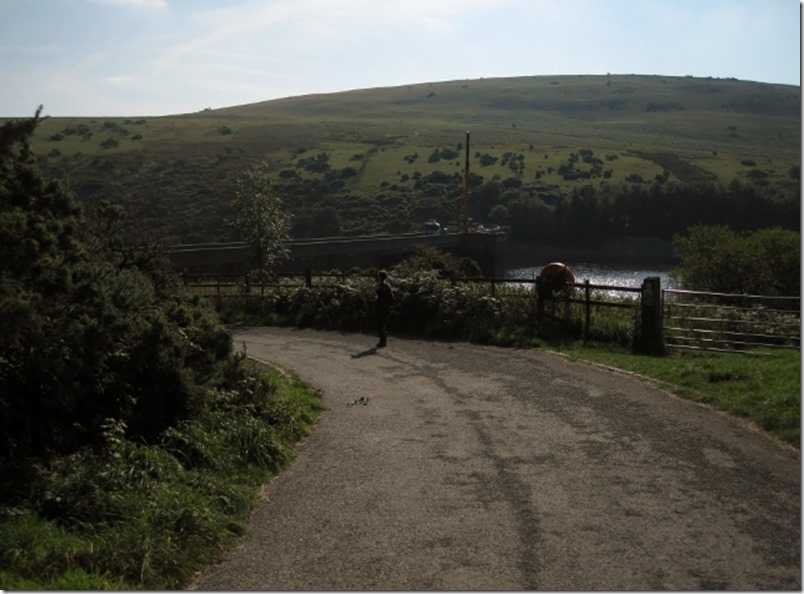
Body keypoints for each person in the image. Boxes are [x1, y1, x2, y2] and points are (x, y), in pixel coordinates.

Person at [375, 270, 394, 347]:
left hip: (379, 305)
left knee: (380, 323)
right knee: (384, 322)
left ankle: (382, 340)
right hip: (387, 306)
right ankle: (384, 339)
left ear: (379, 277)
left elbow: (372, 294)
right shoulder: (388, 285)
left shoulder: (377, 285)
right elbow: (392, 296)